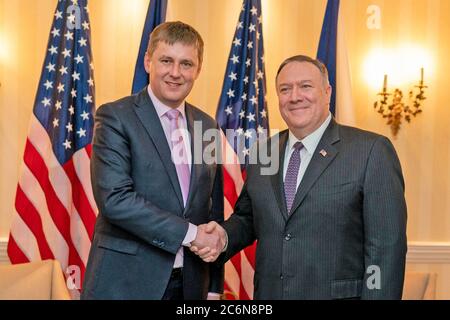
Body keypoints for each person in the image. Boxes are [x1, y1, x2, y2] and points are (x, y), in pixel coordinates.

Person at [192, 55, 407, 299]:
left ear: (327, 92)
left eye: (305, 86)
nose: (295, 96)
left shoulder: (371, 151)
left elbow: (385, 250)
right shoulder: (264, 152)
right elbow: (249, 218)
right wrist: (223, 235)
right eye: (285, 89)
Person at [82, 21, 225, 300]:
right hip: (126, 282)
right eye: (166, 61)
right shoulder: (115, 117)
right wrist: (190, 233)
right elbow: (115, 200)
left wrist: (214, 286)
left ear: (198, 69)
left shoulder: (208, 126)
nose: (175, 73)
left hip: (191, 284)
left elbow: (212, 210)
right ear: (148, 62)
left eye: (186, 64)